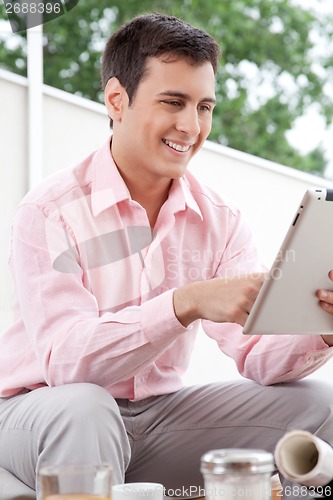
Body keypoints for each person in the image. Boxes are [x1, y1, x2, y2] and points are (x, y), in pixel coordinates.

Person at [0, 13, 333, 500]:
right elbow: (68, 366)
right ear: (117, 99)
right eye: (173, 102)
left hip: (157, 419)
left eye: (204, 106)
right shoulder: (50, 211)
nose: (191, 126)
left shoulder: (219, 220)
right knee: (85, 407)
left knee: (318, 406)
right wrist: (185, 302)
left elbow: (258, 358)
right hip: (38, 416)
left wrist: (320, 328)